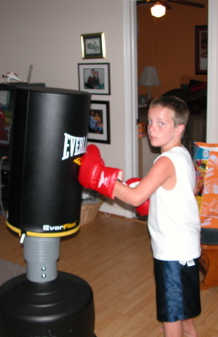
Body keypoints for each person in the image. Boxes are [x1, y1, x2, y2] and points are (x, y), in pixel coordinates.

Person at [79, 95, 201, 337]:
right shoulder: (183, 154)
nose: (152, 129)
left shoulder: (165, 161)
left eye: (161, 123)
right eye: (149, 121)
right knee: (184, 311)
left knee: (171, 317)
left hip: (172, 252)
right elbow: (191, 188)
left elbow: (135, 198)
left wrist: (99, 177)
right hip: (188, 246)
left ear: (179, 128)